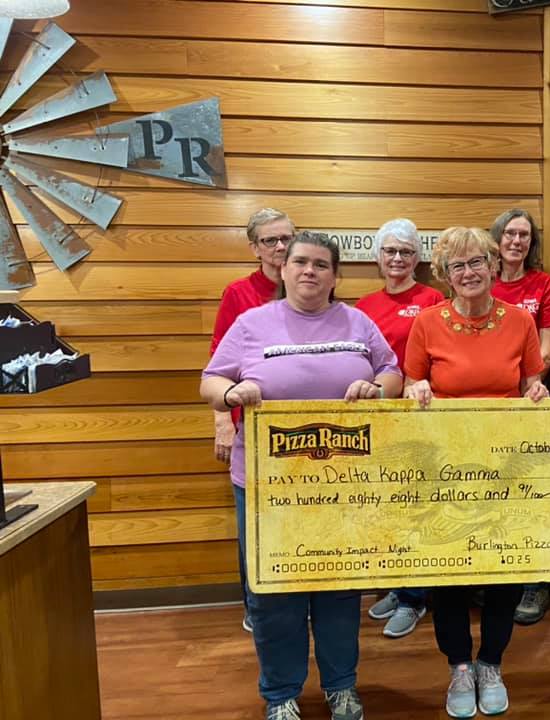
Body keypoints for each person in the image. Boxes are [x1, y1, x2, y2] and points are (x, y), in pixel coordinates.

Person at [201, 231, 402, 720]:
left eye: (321, 264)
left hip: (344, 482)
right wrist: (231, 394)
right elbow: (211, 379)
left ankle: (341, 687)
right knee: (273, 592)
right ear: (283, 269)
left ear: (335, 276)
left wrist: (376, 388)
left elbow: (392, 373)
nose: (309, 271)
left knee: (339, 587)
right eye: (300, 262)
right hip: (267, 483)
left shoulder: (357, 321)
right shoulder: (251, 323)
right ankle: (281, 695)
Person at [404, 226, 548, 719]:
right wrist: (417, 391)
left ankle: (491, 664)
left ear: (493, 265)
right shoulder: (426, 323)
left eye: (477, 262)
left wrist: (536, 393)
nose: (469, 272)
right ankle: (460, 667)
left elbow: (531, 384)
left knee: (506, 568)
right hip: (446, 469)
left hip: (505, 468)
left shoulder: (521, 321)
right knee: (448, 573)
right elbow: (411, 384)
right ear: (445, 274)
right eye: (457, 265)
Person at [356, 218, 444, 639]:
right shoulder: (363, 305)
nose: (397, 258)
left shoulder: (432, 299)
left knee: (417, 506)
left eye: (406, 251)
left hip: (420, 416)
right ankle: (397, 585)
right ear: (378, 257)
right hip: (379, 416)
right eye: (390, 251)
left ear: (417, 258)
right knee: (389, 505)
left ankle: (415, 598)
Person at [210, 207, 295, 633]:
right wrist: (223, 423)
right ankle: (256, 606)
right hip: (254, 431)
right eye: (270, 240)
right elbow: (217, 365)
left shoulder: (313, 287)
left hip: (302, 432)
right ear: (254, 248)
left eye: (286, 238)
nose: (280, 247)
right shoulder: (239, 294)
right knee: (257, 525)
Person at [489, 208, 550, 625]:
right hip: (489, 407)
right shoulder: (483, 280)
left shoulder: (546, 285)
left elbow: (549, 349)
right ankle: (495, 579)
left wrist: (522, 384)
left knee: (533, 494)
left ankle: (536, 582)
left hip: (533, 402)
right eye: (509, 233)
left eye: (524, 235)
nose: (516, 241)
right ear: (497, 239)